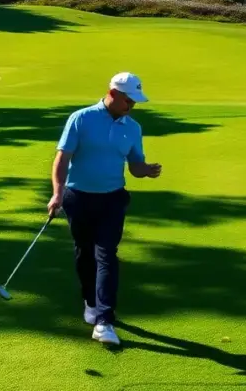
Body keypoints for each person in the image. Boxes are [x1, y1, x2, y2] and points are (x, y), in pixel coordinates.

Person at [47, 72, 162, 346]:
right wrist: (57, 194)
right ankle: (90, 301)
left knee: (107, 254)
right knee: (84, 253)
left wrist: (145, 170)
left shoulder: (132, 127)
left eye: (134, 101)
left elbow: (134, 165)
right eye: (128, 100)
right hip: (79, 197)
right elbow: (63, 159)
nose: (131, 106)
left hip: (112, 198)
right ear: (112, 94)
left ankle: (104, 320)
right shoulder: (81, 119)